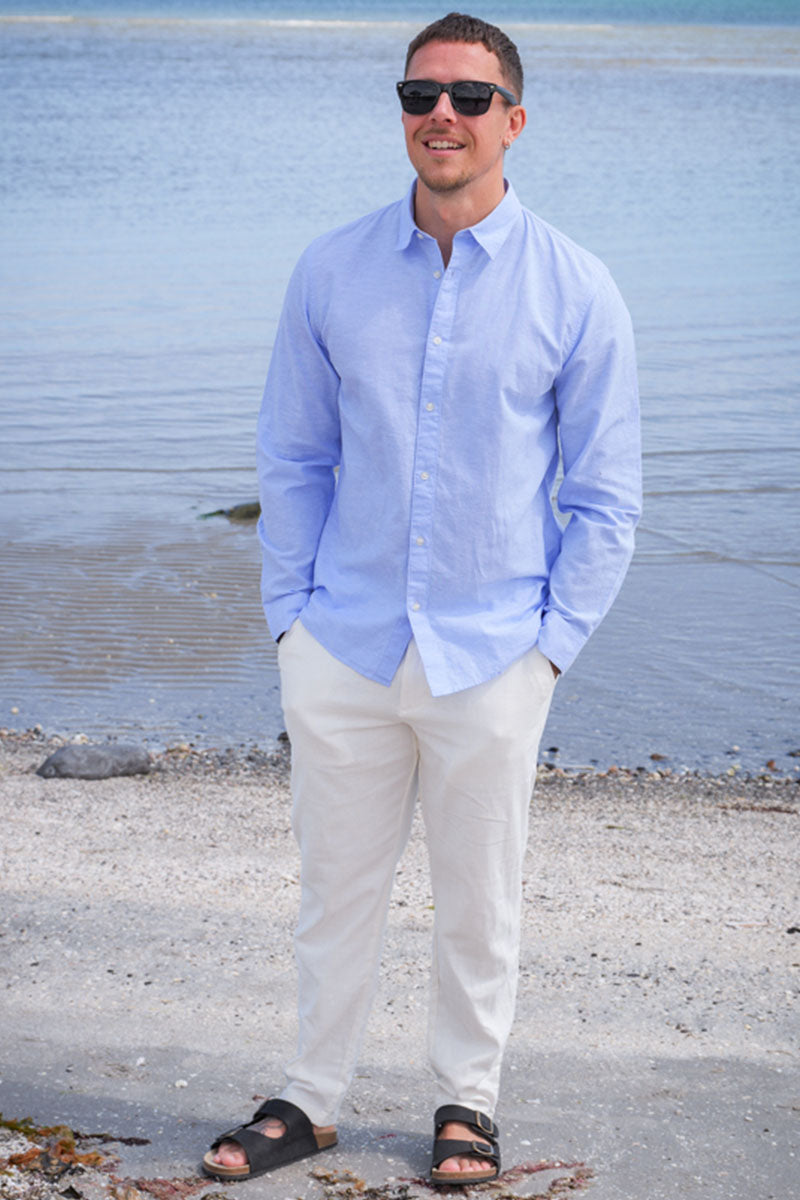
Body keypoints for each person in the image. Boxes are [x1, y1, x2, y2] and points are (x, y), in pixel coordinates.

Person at [203, 11, 641, 1188]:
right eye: (417, 95)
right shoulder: (329, 270)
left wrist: (547, 651)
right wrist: (290, 620)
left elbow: (605, 500)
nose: (439, 114)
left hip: (493, 653)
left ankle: (465, 1103)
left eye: (465, 96)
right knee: (332, 890)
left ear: (512, 119)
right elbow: (293, 458)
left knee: (477, 899)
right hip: (340, 640)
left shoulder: (575, 287)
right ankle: (309, 1099)